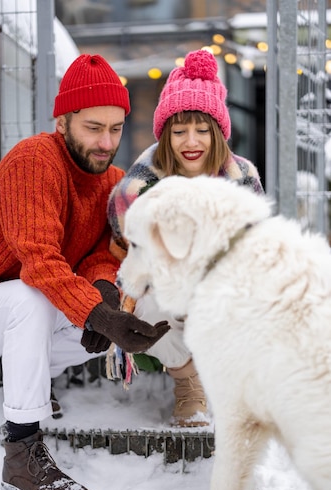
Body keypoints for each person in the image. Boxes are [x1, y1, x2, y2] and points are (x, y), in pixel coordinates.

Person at [0, 54, 169, 490]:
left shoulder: (114, 181)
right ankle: (21, 452)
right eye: (93, 127)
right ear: (63, 123)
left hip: (33, 305)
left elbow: (104, 253)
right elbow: (38, 261)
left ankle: (33, 385)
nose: (107, 142)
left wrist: (104, 298)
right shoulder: (35, 159)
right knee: (33, 298)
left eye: (116, 128)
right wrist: (96, 312)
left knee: (111, 304)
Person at [107, 49, 264, 429]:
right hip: (166, 288)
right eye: (179, 131)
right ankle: (188, 381)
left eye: (201, 130)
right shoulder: (144, 182)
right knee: (145, 306)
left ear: (218, 132)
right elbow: (127, 240)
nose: (190, 141)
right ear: (165, 135)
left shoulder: (241, 177)